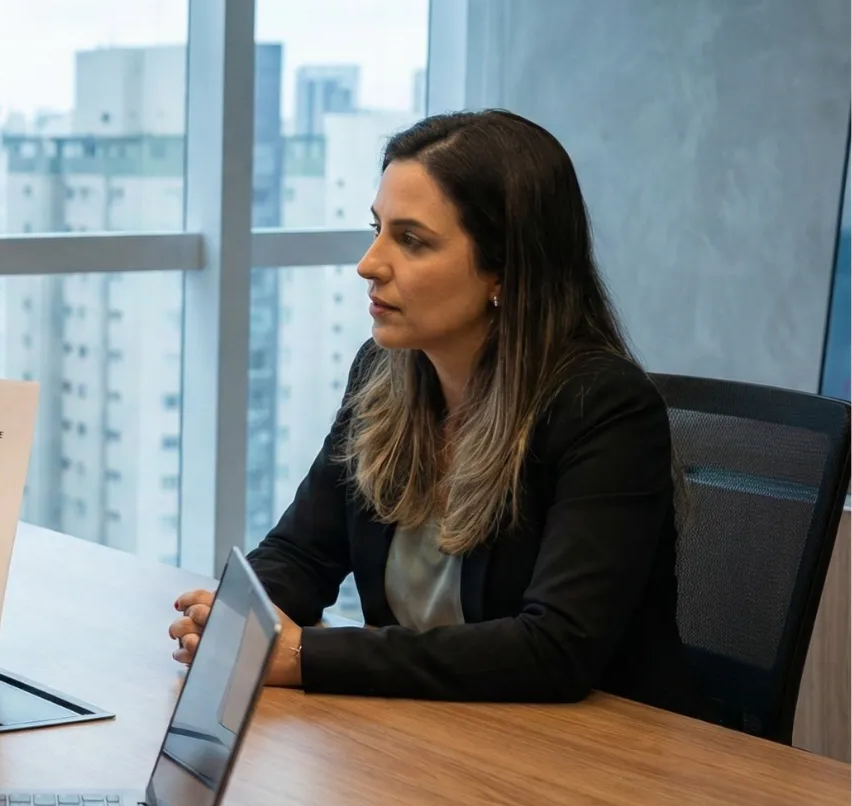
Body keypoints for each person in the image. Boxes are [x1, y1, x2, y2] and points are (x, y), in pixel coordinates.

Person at [169, 110, 701, 716]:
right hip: (426, 735)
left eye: (411, 240)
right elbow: (303, 554)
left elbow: (556, 648)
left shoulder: (602, 410)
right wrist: (242, 620)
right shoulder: (383, 374)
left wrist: (304, 657)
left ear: (505, 268)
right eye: (377, 229)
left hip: (592, 761)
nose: (370, 263)